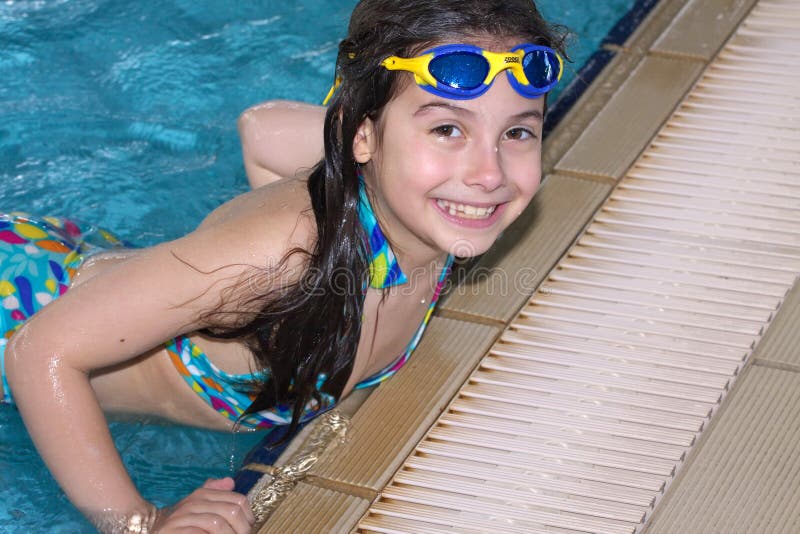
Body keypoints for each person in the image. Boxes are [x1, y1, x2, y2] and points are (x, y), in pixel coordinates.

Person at [1, 0, 566, 531]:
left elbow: (262, 130)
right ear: (362, 133)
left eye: (516, 131)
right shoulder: (278, 259)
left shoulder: (424, 211)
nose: (488, 173)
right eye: (447, 129)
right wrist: (136, 521)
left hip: (74, 260)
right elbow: (39, 349)